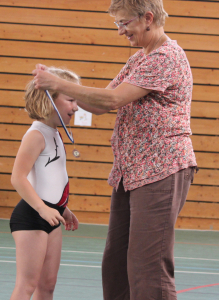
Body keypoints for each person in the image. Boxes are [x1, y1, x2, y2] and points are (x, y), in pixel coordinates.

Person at [31, 1, 197, 299]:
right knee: (116, 264)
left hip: (161, 171)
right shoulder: (139, 59)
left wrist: (57, 82)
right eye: (116, 24)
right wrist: (58, 85)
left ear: (148, 18)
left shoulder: (166, 57)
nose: (121, 31)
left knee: (148, 268)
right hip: (131, 173)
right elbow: (98, 103)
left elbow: (112, 101)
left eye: (125, 24)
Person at [9, 67, 80, 300]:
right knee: (27, 286)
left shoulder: (55, 133)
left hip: (53, 215)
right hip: (32, 216)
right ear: (49, 98)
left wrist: (63, 208)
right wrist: (42, 207)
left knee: (47, 286)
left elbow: (51, 177)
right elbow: (17, 177)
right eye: (70, 100)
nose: (76, 107)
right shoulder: (36, 134)